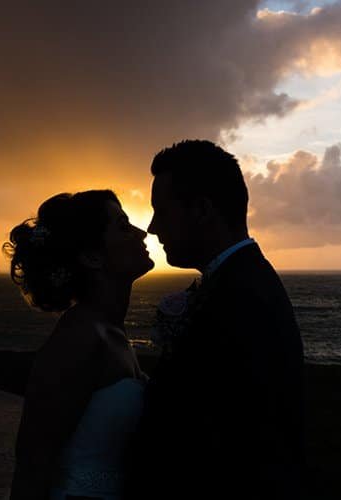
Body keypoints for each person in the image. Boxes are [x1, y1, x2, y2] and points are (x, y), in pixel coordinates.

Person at [127, 140, 305, 499]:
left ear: (202, 209)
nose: (152, 227)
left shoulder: (241, 296)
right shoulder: (239, 282)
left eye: (162, 211)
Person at [5, 190, 154, 500]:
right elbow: (33, 464)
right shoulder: (79, 340)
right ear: (91, 257)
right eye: (123, 226)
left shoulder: (111, 332)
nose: (141, 232)